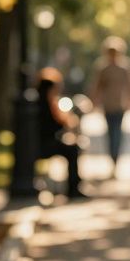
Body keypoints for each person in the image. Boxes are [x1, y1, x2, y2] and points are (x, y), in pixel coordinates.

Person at [88, 36, 130, 178]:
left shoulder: (125, 67)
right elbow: (96, 86)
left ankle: (116, 160)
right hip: (108, 105)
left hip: (120, 105)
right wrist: (93, 101)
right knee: (111, 134)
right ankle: (112, 160)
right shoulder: (102, 68)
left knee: (118, 133)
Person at [35, 67, 87, 199]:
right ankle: (73, 188)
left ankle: (73, 187)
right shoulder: (47, 103)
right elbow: (55, 126)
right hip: (42, 145)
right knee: (72, 149)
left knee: (71, 147)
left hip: (36, 144)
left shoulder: (36, 100)